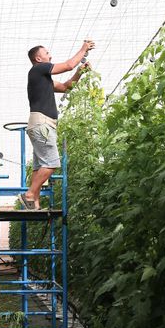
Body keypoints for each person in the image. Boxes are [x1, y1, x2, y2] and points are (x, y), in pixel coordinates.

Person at [18, 40, 95, 210]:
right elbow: (68, 65)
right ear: (38, 59)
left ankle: (34, 202)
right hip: (43, 124)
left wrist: (80, 72)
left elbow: (66, 87)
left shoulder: (42, 79)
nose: (50, 56)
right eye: (47, 53)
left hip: (39, 125)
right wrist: (83, 49)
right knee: (52, 163)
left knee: (40, 166)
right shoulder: (38, 69)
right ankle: (29, 194)